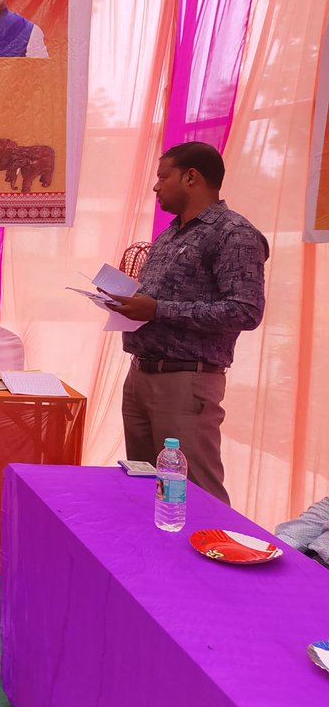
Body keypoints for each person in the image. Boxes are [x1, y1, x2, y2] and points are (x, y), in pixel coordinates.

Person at [107, 142, 268, 505]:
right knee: (146, 488)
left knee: (195, 494)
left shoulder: (233, 233)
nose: (156, 186)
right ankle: (153, 560)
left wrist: (157, 310)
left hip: (186, 380)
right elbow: (155, 298)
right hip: (142, 374)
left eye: (163, 176)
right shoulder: (170, 233)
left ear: (191, 177)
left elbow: (245, 310)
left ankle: (213, 556)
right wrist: (127, 302)